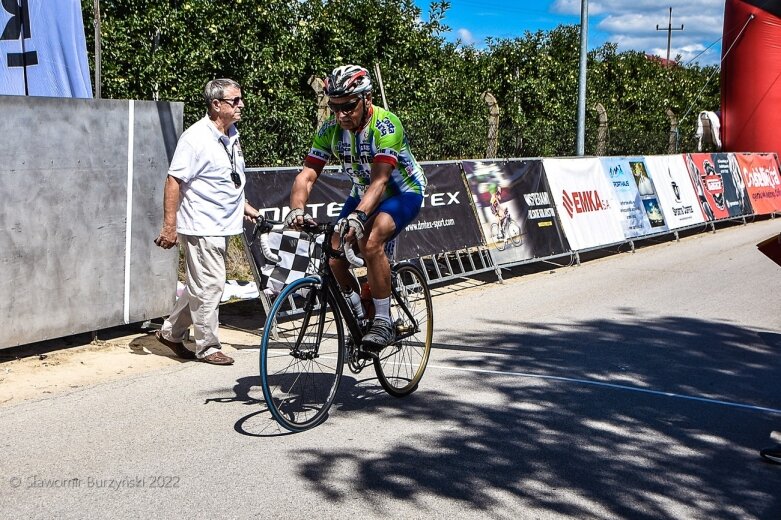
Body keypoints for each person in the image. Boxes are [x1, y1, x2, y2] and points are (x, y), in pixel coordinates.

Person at [286, 65, 426, 352]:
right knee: (334, 254)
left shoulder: (387, 126)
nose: (341, 114)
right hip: (362, 192)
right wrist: (297, 210)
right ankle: (359, 314)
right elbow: (307, 176)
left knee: (370, 240)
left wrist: (359, 217)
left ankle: (384, 321)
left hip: (400, 192)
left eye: (348, 106)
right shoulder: (330, 129)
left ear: (367, 99)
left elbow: (380, 181)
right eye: (334, 107)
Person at [154, 78, 260, 365]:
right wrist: (169, 225)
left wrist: (244, 206)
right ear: (216, 104)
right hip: (202, 225)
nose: (241, 105)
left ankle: (171, 333)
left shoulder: (231, 134)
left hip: (222, 224)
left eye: (240, 99)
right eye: (234, 101)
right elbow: (174, 180)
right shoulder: (195, 138)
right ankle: (208, 346)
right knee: (212, 285)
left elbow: (224, 180)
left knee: (200, 286)